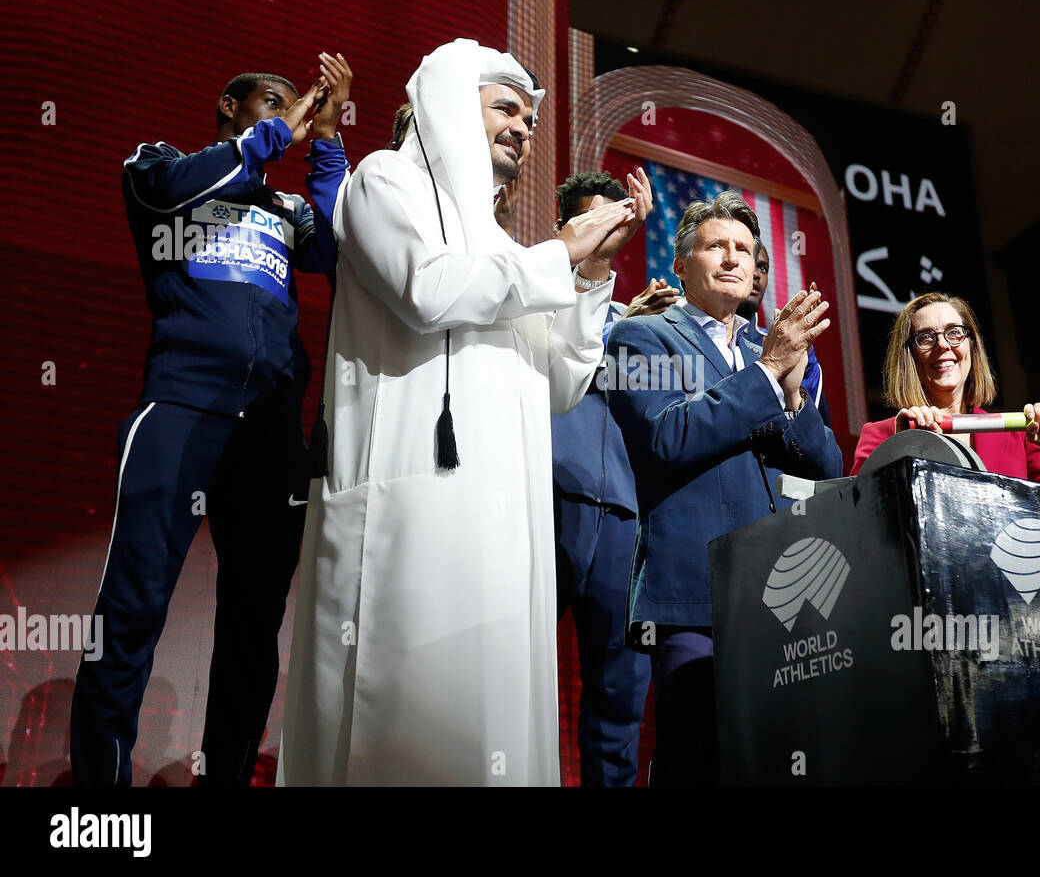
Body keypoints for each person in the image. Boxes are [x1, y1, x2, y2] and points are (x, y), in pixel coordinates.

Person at [277, 39, 643, 786]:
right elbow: (427, 290)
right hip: (411, 509)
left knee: (488, 729)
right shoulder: (382, 183)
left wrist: (592, 272)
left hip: (500, 525)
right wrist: (558, 254)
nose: (524, 128)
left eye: (532, 119)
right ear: (447, 105)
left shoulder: (504, 245)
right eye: (506, 108)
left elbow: (561, 381)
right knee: (404, 720)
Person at [71, 55, 353, 787]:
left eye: (295, 104)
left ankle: (223, 779)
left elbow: (336, 248)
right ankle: (102, 799)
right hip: (181, 405)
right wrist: (270, 139)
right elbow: (166, 189)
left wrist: (325, 140)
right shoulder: (162, 169)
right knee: (133, 604)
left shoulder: (285, 211)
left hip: (269, 426)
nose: (283, 112)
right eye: (269, 102)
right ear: (226, 107)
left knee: (254, 625)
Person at [606, 190, 842, 785]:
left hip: (782, 601)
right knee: (698, 761)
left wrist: (790, 394)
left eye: (744, 249)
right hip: (693, 598)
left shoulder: (769, 352)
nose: (735, 259)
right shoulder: (639, 339)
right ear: (682, 264)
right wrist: (766, 373)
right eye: (717, 247)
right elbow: (666, 438)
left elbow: (826, 468)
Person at [550, 170, 671, 786]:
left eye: (617, 221)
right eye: (593, 220)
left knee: (620, 699)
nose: (606, 234)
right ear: (562, 227)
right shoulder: (533, 293)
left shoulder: (641, 327)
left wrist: (632, 324)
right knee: (521, 678)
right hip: (547, 505)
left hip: (625, 522)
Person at [849, 292, 1040, 491]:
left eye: (954, 332)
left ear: (972, 347)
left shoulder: (1019, 435)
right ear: (908, 358)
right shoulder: (882, 436)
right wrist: (903, 448)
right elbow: (860, 520)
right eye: (925, 338)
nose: (943, 344)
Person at [738, 239, 832, 428]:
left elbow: (819, 432)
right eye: (750, 264)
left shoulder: (787, 344)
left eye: (763, 268)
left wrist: (803, 353)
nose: (757, 274)